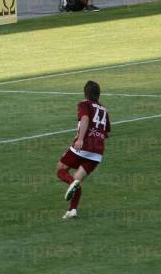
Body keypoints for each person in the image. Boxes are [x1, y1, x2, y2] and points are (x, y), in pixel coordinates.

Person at [56, 80, 111, 219]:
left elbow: (85, 119)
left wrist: (80, 139)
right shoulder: (104, 109)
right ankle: (72, 210)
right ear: (98, 95)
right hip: (98, 151)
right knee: (76, 180)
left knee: (61, 169)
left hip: (85, 144)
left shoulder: (83, 104)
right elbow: (107, 132)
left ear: (85, 93)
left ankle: (71, 185)